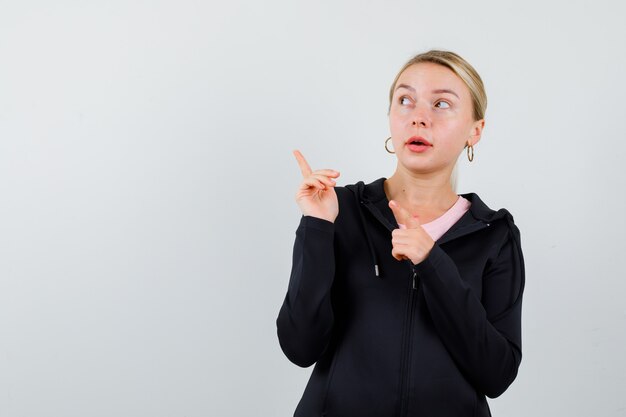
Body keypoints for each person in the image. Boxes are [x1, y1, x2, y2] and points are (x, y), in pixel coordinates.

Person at [276, 49, 525, 417]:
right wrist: (316, 226)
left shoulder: (493, 234)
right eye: (405, 100)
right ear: (391, 117)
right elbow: (300, 347)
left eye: (441, 104)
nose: (419, 118)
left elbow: (497, 374)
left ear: (476, 130)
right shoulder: (339, 210)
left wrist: (432, 263)